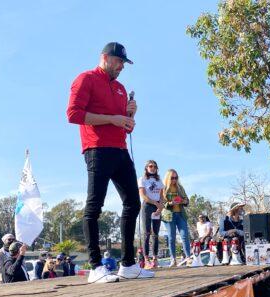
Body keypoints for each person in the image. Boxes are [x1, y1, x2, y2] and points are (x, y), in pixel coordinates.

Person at [67, 41, 153, 282]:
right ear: (104, 57)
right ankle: (95, 267)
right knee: (94, 206)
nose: (121, 67)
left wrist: (129, 117)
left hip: (120, 149)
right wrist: (113, 119)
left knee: (133, 204)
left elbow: (123, 127)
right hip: (96, 149)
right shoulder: (85, 79)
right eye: (118, 61)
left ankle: (128, 264)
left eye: (124, 63)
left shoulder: (121, 89)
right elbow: (73, 114)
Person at [161, 169, 191, 267]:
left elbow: (187, 200)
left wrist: (183, 201)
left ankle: (188, 258)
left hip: (180, 214)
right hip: (169, 216)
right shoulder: (164, 188)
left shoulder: (180, 188)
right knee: (171, 237)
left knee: (185, 236)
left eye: (176, 177)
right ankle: (173, 259)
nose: (174, 179)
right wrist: (171, 203)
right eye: (172, 178)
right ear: (168, 178)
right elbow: (162, 203)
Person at [138, 160, 164, 268]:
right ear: (146, 168)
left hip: (157, 207)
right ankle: (146, 259)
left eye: (154, 166)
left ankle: (155, 259)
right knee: (147, 232)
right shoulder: (142, 179)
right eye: (150, 166)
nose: (152, 168)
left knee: (156, 234)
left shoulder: (159, 180)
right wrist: (155, 203)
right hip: (147, 206)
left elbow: (161, 195)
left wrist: (160, 206)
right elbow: (143, 196)